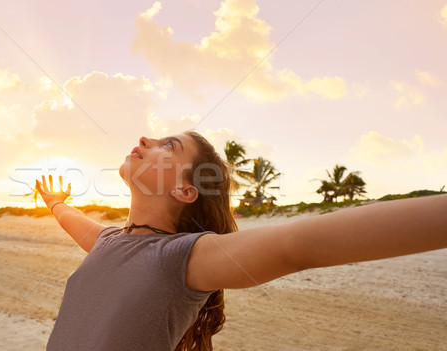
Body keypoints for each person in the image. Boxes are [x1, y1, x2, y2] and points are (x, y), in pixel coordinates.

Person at [36, 130, 447, 351]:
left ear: (185, 190)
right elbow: (71, 219)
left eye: (169, 145)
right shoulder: (108, 241)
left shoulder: (184, 257)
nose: (145, 139)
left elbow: (297, 244)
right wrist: (54, 203)